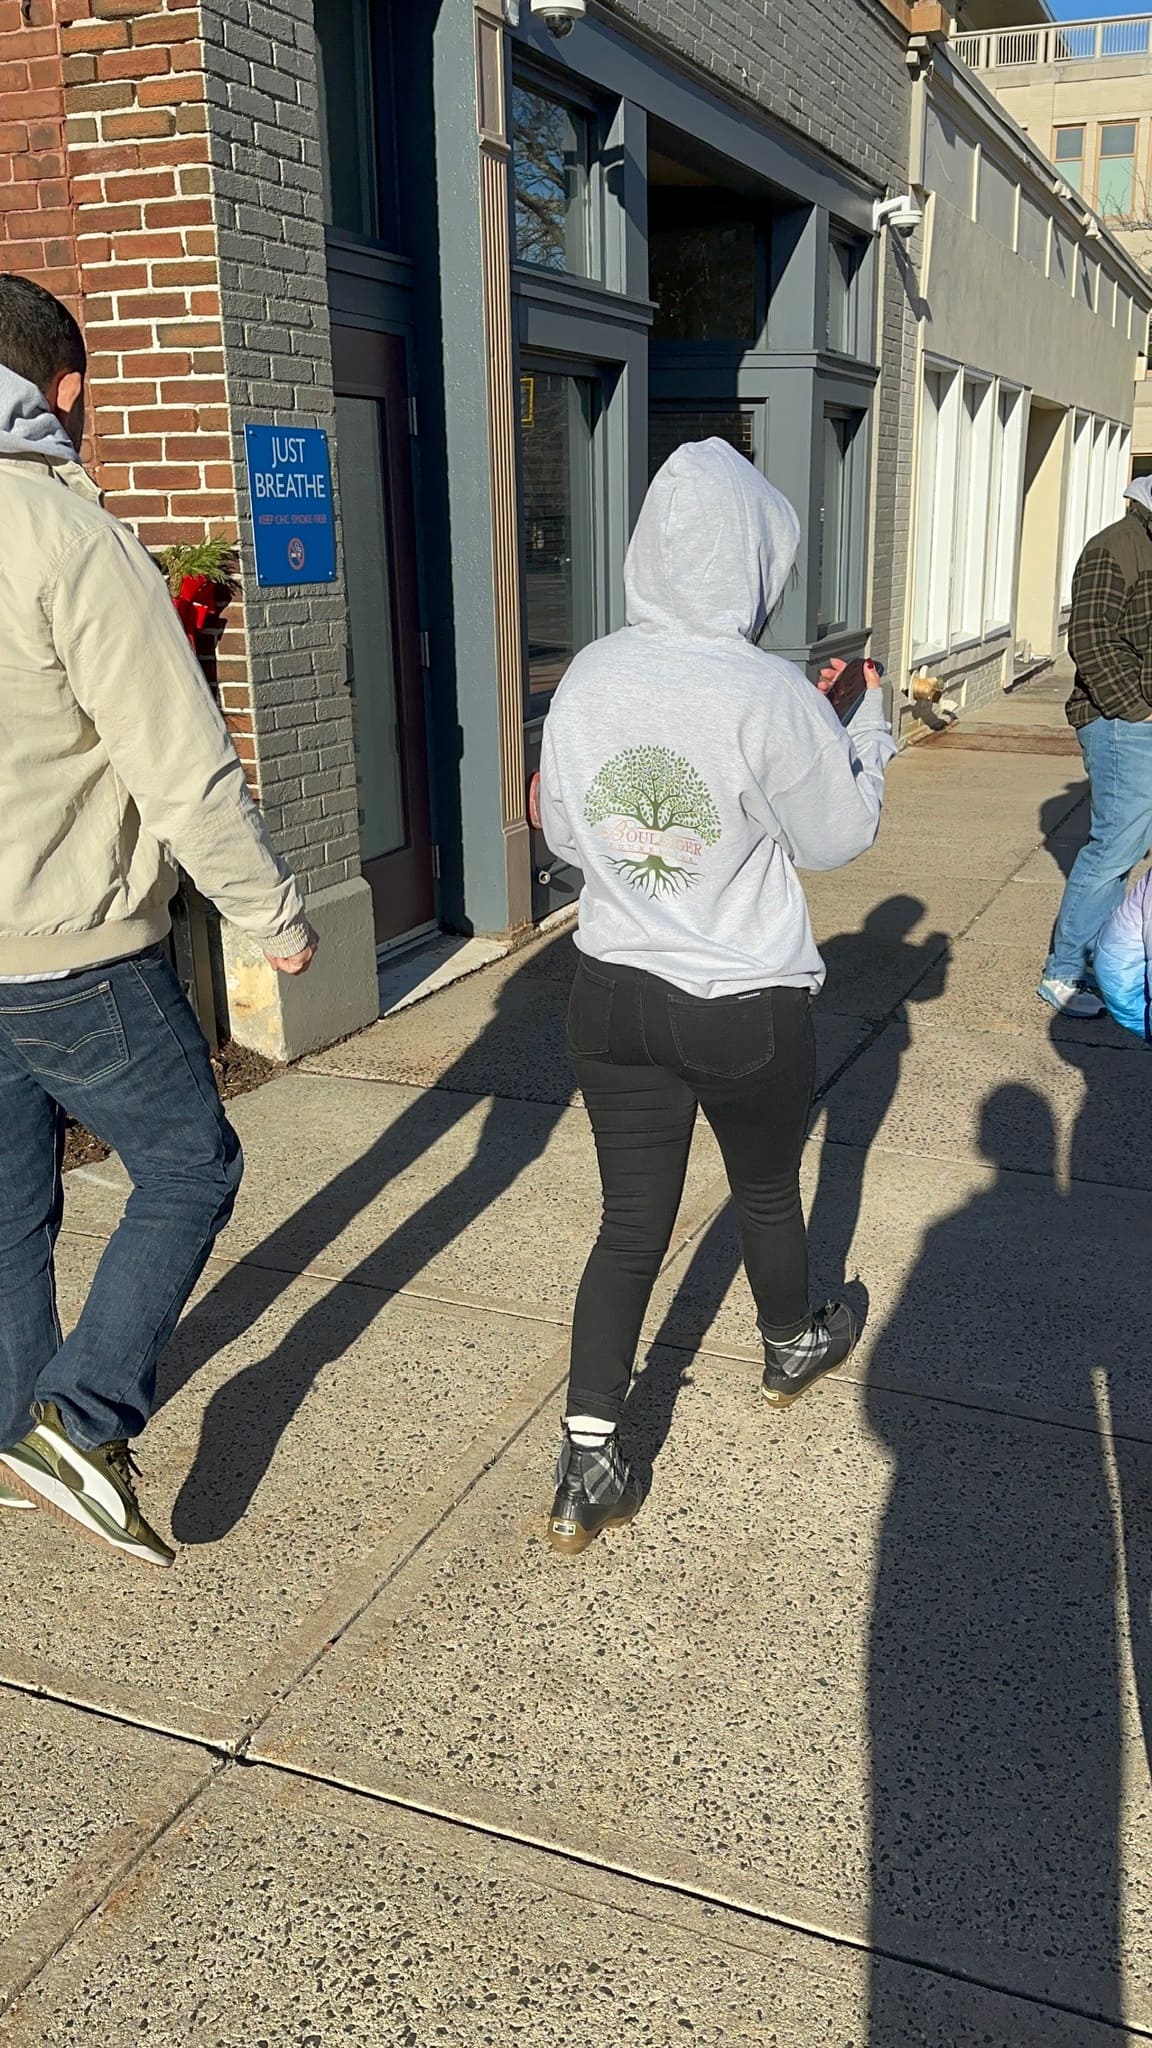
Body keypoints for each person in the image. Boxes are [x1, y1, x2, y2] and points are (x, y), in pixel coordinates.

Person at [0, 274, 316, 1567]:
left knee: (10, 1209)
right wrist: (270, 914)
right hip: (69, 947)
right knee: (191, 1166)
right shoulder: (66, 536)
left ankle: (16, 1430)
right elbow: (182, 765)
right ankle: (80, 1423)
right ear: (64, 391)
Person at [537, 438, 895, 1556]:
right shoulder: (770, 691)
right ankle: (790, 1342)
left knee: (628, 1223)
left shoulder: (589, 674)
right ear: (753, 560)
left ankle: (587, 1461)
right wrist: (867, 725)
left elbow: (562, 831)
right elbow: (837, 835)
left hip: (611, 992)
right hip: (740, 1000)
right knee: (767, 1189)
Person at [1038, 475, 1152, 1019]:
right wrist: (1138, 708)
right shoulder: (1118, 546)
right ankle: (1064, 972)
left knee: (1129, 847)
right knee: (1114, 850)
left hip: (1137, 718)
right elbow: (1089, 637)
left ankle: (1117, 960)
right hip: (1122, 723)